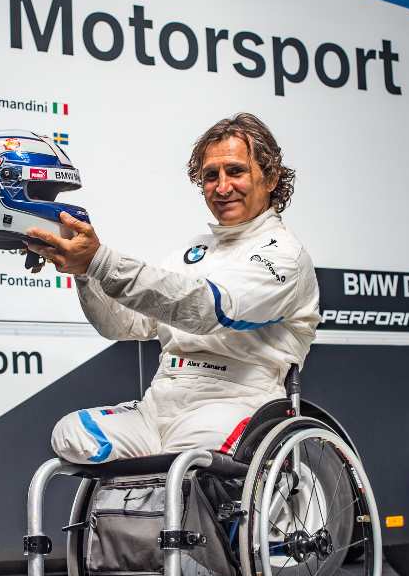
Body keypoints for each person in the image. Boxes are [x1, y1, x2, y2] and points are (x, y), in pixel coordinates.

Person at [25, 113, 319, 464]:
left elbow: (207, 310)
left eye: (235, 171)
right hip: (159, 406)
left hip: (236, 403)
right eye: (211, 176)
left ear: (270, 177)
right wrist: (84, 272)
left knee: (187, 461)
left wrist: (100, 261)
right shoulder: (192, 252)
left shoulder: (284, 254)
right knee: (72, 435)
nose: (222, 187)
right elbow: (123, 325)